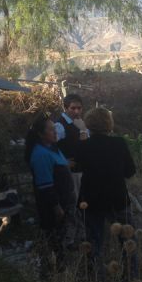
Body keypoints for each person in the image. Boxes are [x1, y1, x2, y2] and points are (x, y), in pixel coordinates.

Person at [75, 107, 136, 267]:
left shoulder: (83, 146)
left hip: (91, 200)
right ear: (109, 123)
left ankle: (97, 280)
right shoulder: (119, 143)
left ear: (89, 125)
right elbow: (130, 171)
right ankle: (131, 276)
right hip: (117, 197)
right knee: (128, 241)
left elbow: (76, 167)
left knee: (94, 243)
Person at [25, 114, 75, 268]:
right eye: (51, 130)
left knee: (61, 238)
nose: (55, 132)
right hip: (53, 207)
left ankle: (62, 270)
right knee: (55, 240)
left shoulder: (52, 148)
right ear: (41, 134)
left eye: (55, 129)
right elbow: (45, 185)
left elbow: (58, 165)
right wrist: (56, 207)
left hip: (63, 201)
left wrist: (66, 165)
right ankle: (57, 273)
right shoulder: (40, 155)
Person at [54, 94, 88, 245]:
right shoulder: (59, 125)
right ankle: (69, 239)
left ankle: (81, 235)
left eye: (79, 108)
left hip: (81, 170)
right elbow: (51, 146)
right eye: (73, 108)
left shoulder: (80, 123)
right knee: (71, 204)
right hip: (70, 172)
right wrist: (63, 161)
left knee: (81, 202)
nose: (76, 111)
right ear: (65, 108)